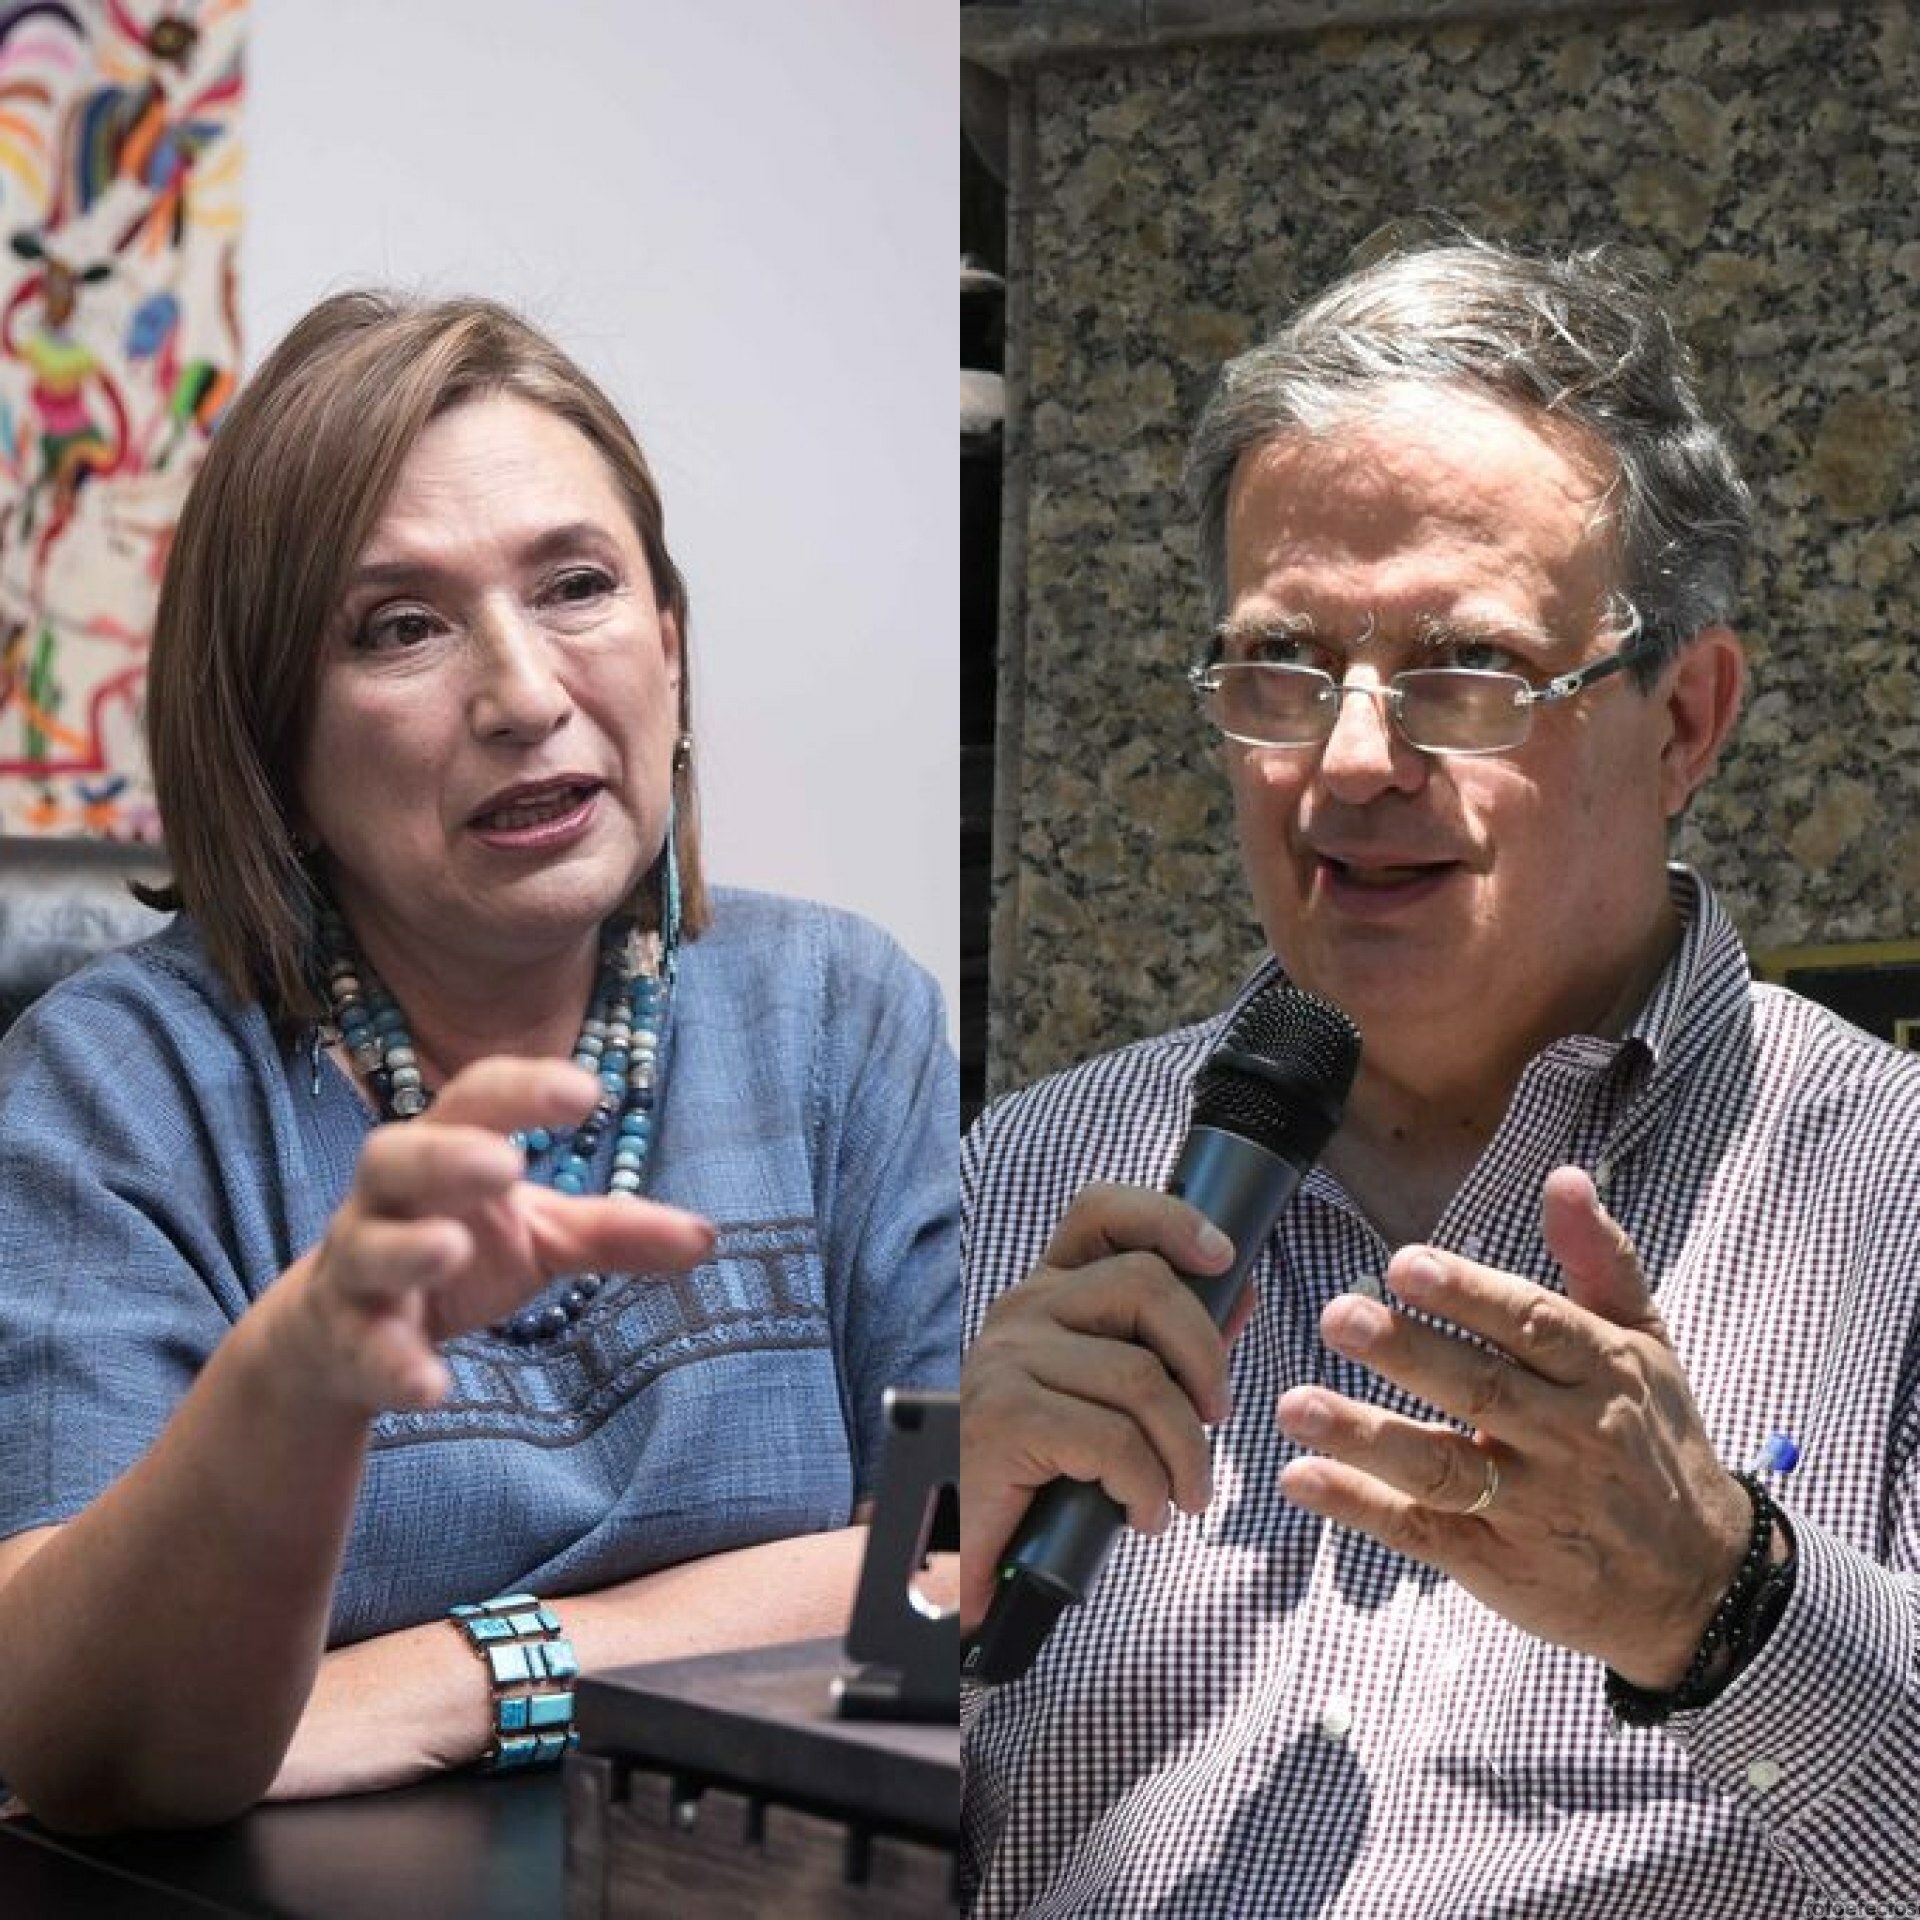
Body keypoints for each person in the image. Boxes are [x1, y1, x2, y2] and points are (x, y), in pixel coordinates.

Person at [960, 234, 1920, 1914]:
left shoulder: (1885, 1194)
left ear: (1686, 720)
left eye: (1464, 673)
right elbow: (793, 1799)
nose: (1346, 762)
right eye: (1280, 671)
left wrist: (1725, 1607)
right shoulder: (1020, 1178)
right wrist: (925, 1576)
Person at [0, 289, 958, 1831]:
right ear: (273, 741)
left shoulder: (838, 1015)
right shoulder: (121, 1088)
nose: (523, 695)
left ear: (669, 647)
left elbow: (947, 1584)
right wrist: (300, 1376)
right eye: (402, 627)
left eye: (577, 586)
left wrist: (468, 1676)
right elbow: (76, 1745)